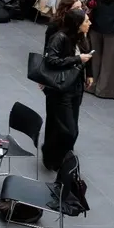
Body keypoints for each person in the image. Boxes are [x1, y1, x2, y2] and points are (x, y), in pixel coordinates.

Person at [42, 9, 93, 170]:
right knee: (68, 129)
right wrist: (77, 59)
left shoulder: (82, 37)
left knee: (69, 125)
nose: (89, 23)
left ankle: (59, 157)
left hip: (76, 86)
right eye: (86, 21)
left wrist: (89, 74)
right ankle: (57, 156)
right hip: (61, 88)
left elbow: (88, 56)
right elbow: (51, 60)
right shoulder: (59, 38)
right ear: (77, 24)